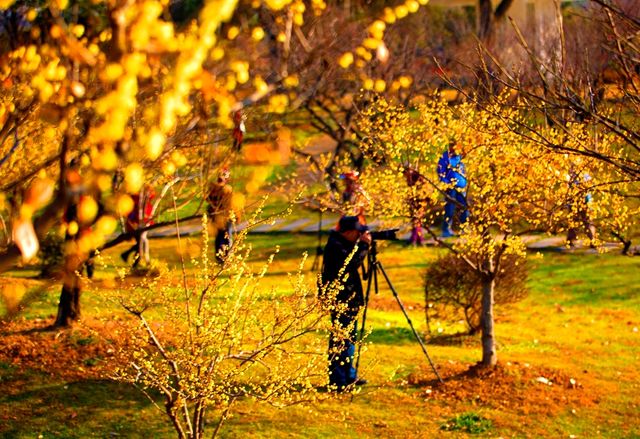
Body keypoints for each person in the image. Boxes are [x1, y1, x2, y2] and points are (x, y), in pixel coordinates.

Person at [320, 215, 371, 391]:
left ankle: (349, 375)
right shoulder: (335, 246)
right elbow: (350, 263)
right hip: (341, 299)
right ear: (348, 232)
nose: (359, 236)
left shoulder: (341, 242)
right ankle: (337, 380)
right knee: (340, 339)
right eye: (357, 233)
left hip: (348, 298)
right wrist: (364, 246)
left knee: (348, 339)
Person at [437, 139, 469, 237]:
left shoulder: (460, 157)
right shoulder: (445, 157)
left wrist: (465, 181)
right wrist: (447, 183)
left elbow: (463, 170)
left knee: (464, 207)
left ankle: (464, 228)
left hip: (461, 186)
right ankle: (446, 230)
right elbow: (440, 171)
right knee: (449, 208)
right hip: (450, 187)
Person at [120, 185, 155, 267]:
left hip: (141, 225)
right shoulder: (136, 203)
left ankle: (132, 260)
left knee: (141, 243)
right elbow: (131, 215)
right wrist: (132, 223)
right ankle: (137, 263)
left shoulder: (143, 203)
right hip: (136, 226)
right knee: (141, 243)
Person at [207, 168, 234, 263]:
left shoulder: (225, 189)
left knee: (225, 236)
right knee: (222, 237)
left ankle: (225, 257)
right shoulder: (218, 189)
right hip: (221, 217)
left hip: (225, 217)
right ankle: (222, 257)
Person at [566, 166, 596, 247]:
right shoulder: (585, 175)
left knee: (577, 222)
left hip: (580, 202)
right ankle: (571, 240)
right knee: (584, 222)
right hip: (583, 201)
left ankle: (571, 241)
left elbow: (568, 191)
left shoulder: (572, 177)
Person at [403, 165, 429, 245]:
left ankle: (415, 240)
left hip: (421, 200)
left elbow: (424, 189)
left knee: (416, 220)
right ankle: (419, 239)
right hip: (415, 201)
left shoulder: (418, 177)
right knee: (416, 220)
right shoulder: (410, 177)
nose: (405, 175)